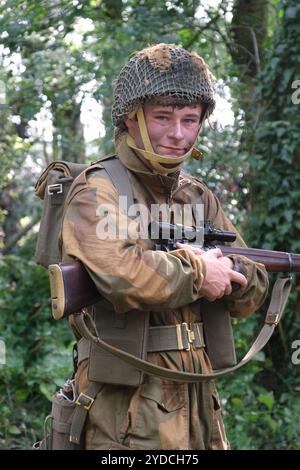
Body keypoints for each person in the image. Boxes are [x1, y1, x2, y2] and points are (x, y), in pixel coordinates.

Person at [61, 43, 269, 450]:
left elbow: (249, 290)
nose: (178, 134)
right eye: (163, 118)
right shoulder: (99, 189)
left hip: (198, 394)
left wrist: (235, 277)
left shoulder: (197, 197)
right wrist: (199, 273)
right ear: (131, 119)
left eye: (190, 120)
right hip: (127, 404)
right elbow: (122, 274)